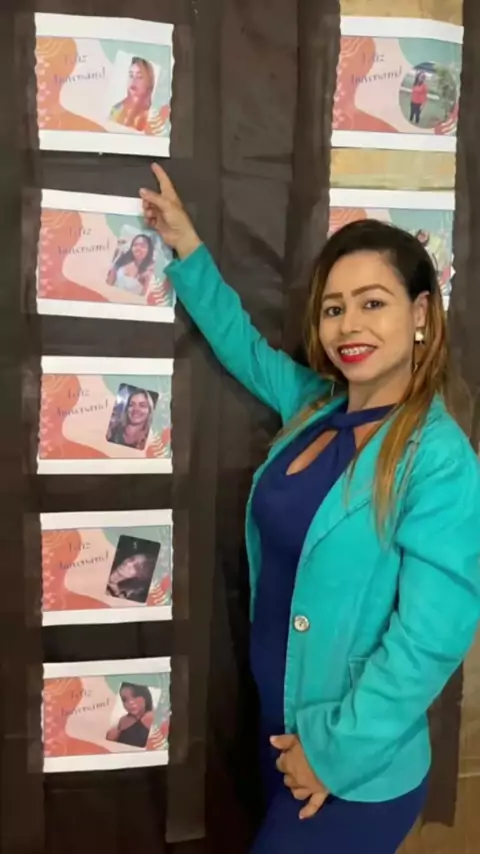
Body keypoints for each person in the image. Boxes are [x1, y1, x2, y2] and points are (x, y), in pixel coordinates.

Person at [139, 164, 480, 853]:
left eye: (373, 303)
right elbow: (242, 345)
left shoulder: (440, 459)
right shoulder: (317, 407)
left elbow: (430, 641)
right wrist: (187, 246)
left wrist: (331, 753)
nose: (349, 325)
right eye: (333, 308)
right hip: (280, 732)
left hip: (353, 763)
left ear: (420, 314)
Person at [109, 57, 155, 133]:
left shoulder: (152, 116)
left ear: (148, 82)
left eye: (139, 77)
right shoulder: (117, 108)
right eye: (131, 75)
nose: (133, 80)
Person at [106, 683, 154, 748]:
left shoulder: (154, 717)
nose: (130, 702)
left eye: (135, 696)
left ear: (145, 696)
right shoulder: (122, 720)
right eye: (125, 700)